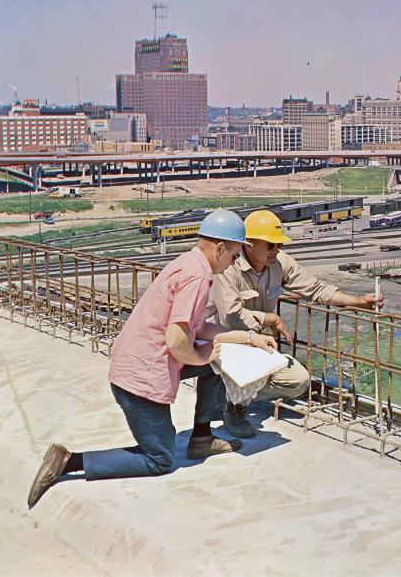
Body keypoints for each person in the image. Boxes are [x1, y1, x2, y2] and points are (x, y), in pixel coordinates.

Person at [27, 209, 276, 509]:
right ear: (220, 248)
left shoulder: (188, 263)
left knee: (214, 362)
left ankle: (202, 438)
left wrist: (249, 338)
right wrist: (200, 355)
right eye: (235, 255)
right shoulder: (197, 278)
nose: (235, 262)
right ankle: (68, 461)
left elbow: (201, 328)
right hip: (139, 381)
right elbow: (177, 342)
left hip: (135, 365)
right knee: (160, 458)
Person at [209, 209, 383, 437]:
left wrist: (358, 301)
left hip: (258, 344)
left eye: (278, 245)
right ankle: (234, 406)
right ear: (249, 244)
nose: (276, 250)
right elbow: (231, 317)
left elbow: (315, 288)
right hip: (226, 342)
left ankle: (230, 393)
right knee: (238, 370)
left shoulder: (278, 262)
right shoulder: (228, 267)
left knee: (298, 381)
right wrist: (270, 318)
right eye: (270, 245)